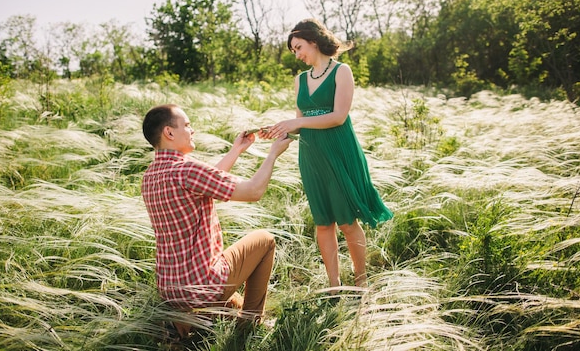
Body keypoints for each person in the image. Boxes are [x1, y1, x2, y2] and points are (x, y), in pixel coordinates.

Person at [261, 18, 393, 289]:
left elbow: (338, 116)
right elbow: (300, 123)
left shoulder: (341, 72)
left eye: (299, 48)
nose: (297, 55)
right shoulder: (300, 81)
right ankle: (334, 285)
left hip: (338, 149)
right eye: (294, 51)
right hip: (311, 155)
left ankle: (361, 281)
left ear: (313, 41)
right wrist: (279, 130)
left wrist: (297, 122)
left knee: (346, 220)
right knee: (322, 222)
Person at [141, 104, 293, 332]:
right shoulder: (186, 170)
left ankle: (189, 322)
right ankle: (250, 323)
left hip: (170, 291)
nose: (192, 130)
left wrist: (236, 150)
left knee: (232, 303)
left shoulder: (150, 177)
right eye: (187, 125)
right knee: (265, 239)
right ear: (169, 133)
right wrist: (273, 154)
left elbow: (206, 183)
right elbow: (253, 191)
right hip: (201, 285)